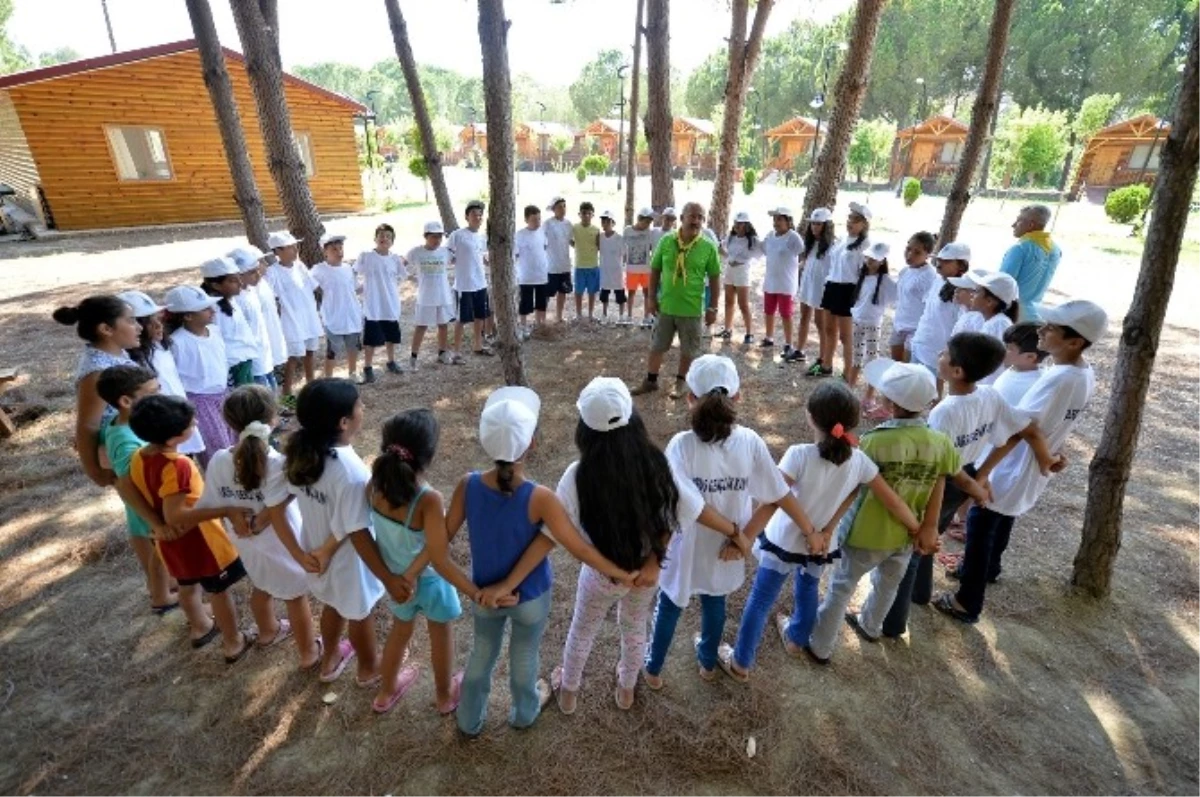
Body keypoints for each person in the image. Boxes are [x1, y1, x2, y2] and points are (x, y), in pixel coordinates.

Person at [432, 386, 638, 736]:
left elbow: (438, 553)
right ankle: (524, 713)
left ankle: (468, 720)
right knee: (524, 657)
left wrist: (478, 593)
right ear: (531, 445)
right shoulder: (541, 497)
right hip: (531, 598)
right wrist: (620, 573)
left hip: (483, 595)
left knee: (480, 655)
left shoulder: (466, 485)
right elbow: (580, 549)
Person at [551, 377, 735, 712]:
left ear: (584, 430)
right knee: (635, 628)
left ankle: (569, 692)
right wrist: (652, 564)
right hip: (646, 576)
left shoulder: (577, 475)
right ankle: (626, 689)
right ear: (634, 419)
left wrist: (612, 571)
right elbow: (676, 514)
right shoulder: (658, 465)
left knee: (582, 630)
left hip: (599, 577)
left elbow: (569, 540)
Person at [724, 382, 919, 679]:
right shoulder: (860, 460)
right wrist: (918, 529)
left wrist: (744, 537)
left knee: (762, 599)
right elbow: (891, 501)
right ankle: (797, 639)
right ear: (851, 423)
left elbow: (772, 501)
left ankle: (741, 662)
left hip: (784, 542)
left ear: (810, 417)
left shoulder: (798, 454)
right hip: (822, 546)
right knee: (808, 588)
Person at [646, 355, 817, 685]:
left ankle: (653, 670)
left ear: (690, 398)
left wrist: (743, 535)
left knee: (670, 604)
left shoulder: (680, 447)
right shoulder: (749, 441)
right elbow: (778, 493)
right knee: (715, 603)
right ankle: (708, 664)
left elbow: (689, 505)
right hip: (726, 550)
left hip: (686, 548)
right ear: (738, 397)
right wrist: (744, 536)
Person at [935, 300, 1106, 624]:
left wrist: (982, 476)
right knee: (1002, 519)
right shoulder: (1083, 374)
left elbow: (1020, 430)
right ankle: (989, 569)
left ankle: (966, 602)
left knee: (981, 524)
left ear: (1075, 341)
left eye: (1051, 328)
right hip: (1032, 465)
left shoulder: (1058, 378)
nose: (1041, 331)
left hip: (1012, 465)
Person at [882, 333, 1051, 638]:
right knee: (929, 540)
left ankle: (892, 621)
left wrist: (931, 520)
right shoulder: (990, 395)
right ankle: (921, 593)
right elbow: (1019, 430)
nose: (939, 356)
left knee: (915, 542)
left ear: (957, 371)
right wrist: (980, 476)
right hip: (964, 475)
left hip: (940, 484)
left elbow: (935, 470)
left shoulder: (944, 412)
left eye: (945, 354)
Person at [806, 360, 953, 664]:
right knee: (889, 584)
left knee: (842, 586)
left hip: (866, 533)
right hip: (906, 537)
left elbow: (853, 485)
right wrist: (929, 525)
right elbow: (941, 479)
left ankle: (820, 645)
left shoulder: (874, 442)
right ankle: (871, 626)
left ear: (888, 403)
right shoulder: (941, 442)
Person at [267, 378, 385, 685]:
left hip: (315, 553)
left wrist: (300, 552)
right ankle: (369, 668)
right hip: (347, 559)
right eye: (359, 404)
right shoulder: (351, 472)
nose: (364, 407)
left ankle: (330, 658)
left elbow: (276, 504)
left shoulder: (304, 453)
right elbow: (354, 524)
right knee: (360, 612)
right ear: (344, 422)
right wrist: (328, 551)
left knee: (333, 603)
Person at [197, 385, 320, 669]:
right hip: (282, 540)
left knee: (261, 584)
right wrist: (264, 516)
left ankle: (268, 631)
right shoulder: (279, 462)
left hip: (244, 541)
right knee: (294, 596)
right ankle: (309, 653)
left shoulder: (218, 460)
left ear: (229, 423)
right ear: (273, 419)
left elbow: (209, 505)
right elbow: (298, 489)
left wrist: (238, 514)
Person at [353, 409, 464, 715]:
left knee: (399, 632)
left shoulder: (372, 486)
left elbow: (368, 533)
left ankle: (385, 693)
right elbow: (436, 548)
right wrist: (413, 575)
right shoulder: (428, 499)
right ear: (428, 456)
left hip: (394, 579)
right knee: (440, 636)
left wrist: (398, 579)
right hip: (427, 580)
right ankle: (444, 697)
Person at [128, 393, 255, 662]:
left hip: (170, 541)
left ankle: (200, 626)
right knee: (218, 591)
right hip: (199, 541)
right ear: (174, 437)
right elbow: (176, 514)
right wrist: (226, 510)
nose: (196, 421)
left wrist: (160, 525)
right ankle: (233, 642)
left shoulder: (141, 455)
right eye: (190, 423)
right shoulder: (179, 465)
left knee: (187, 585)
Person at [96, 365, 175, 613]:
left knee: (161, 554)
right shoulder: (125, 438)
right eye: (152, 393)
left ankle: (165, 592)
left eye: (159, 389)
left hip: (155, 505)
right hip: (148, 509)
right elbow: (126, 484)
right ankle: (162, 597)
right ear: (126, 401)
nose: (159, 397)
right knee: (161, 552)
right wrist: (155, 520)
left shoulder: (126, 424)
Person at [629, 202, 722, 400]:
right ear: (682, 218)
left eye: (700, 217)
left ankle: (680, 383)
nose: (696, 221)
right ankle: (651, 381)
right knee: (657, 345)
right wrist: (651, 298)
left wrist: (713, 307)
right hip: (666, 306)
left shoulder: (708, 247)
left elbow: (715, 278)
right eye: (692, 216)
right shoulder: (666, 241)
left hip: (692, 308)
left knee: (688, 349)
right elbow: (655, 270)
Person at [53, 295, 139, 485]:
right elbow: (88, 425)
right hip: (127, 451)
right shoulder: (98, 371)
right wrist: (95, 472)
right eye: (131, 321)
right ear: (106, 329)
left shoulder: (116, 354)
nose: (139, 327)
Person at [120, 290, 207, 458]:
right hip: (161, 426)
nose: (158, 325)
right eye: (148, 322)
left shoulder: (162, 347)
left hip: (179, 416)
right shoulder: (133, 359)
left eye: (158, 318)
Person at [163, 285, 235, 466]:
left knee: (234, 446)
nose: (212, 311)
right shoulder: (177, 342)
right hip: (201, 404)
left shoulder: (215, 331)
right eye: (205, 308)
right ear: (187, 316)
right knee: (218, 453)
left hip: (223, 396)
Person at [813, 202, 871, 379]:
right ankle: (826, 365)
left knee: (846, 336)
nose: (850, 223)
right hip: (832, 286)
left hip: (848, 290)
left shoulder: (865, 245)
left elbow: (864, 273)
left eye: (855, 220)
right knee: (829, 329)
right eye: (849, 219)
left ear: (864, 225)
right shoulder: (842, 241)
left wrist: (859, 296)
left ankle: (847, 372)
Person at [264, 231, 323, 406]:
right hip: (291, 319)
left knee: (310, 352)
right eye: (289, 248)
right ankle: (287, 395)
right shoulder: (273, 272)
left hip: (309, 316)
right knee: (293, 357)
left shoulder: (300, 266)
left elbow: (313, 285)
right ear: (277, 252)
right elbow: (269, 295)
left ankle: (312, 388)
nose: (294, 250)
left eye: (294, 246)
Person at [908, 241, 971, 398]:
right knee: (911, 387)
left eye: (947, 261)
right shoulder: (937, 280)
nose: (939, 263)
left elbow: (961, 324)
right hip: (921, 342)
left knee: (932, 393)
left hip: (936, 351)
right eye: (939, 259)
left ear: (961, 266)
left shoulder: (961, 291)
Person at [355, 223, 407, 383]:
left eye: (388, 236)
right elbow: (354, 272)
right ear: (375, 238)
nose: (384, 238)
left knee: (391, 337)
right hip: (373, 305)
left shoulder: (395, 259)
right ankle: (368, 367)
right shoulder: (366, 256)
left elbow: (403, 276)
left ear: (392, 241)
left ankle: (391, 362)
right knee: (371, 339)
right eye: (381, 235)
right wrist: (358, 288)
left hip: (390, 304)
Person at [948, 272, 1021, 384]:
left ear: (989, 302)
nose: (972, 295)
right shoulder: (991, 322)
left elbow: (991, 365)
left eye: (977, 292)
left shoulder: (998, 324)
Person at [310, 233, 364, 381]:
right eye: (334, 249)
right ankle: (328, 377)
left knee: (353, 345)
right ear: (325, 251)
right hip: (333, 314)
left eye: (340, 248)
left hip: (351, 312)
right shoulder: (319, 269)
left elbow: (356, 287)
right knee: (332, 348)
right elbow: (308, 285)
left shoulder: (347, 268)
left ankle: (353, 372)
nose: (339, 252)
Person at [848, 241, 898, 395]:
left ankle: (870, 395)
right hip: (858, 321)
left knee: (872, 358)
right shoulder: (861, 276)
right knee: (856, 355)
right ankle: (850, 388)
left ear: (882, 261)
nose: (869, 261)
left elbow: (897, 298)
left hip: (873, 323)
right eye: (868, 257)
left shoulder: (886, 281)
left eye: (874, 259)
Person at [200, 256, 258, 388]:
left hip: (243, 361)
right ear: (215, 285)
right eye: (232, 280)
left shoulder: (231, 300)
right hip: (232, 366)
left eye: (239, 277)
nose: (240, 282)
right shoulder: (213, 311)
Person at [407, 221, 459, 368]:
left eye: (439, 237)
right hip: (425, 295)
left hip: (442, 294)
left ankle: (442, 352)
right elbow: (403, 263)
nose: (437, 240)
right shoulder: (416, 252)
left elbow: (458, 260)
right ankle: (413, 356)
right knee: (421, 326)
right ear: (426, 236)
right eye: (433, 237)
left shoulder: (445, 252)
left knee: (443, 324)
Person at [447, 202, 495, 358]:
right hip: (463, 284)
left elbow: (483, 257)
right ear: (467, 217)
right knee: (461, 319)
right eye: (474, 214)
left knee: (480, 315)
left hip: (480, 283)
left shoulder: (482, 238)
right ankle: (456, 351)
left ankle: (478, 345)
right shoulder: (457, 235)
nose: (478, 217)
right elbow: (448, 255)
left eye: (480, 214)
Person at [999, 205, 1061, 320]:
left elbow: (1002, 285)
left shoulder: (1020, 248)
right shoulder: (1056, 250)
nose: (1013, 225)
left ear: (1031, 225)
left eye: (1018, 221)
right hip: (1036, 313)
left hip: (1013, 314)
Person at [228, 248, 277, 389]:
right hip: (253, 360)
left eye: (257, 270)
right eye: (252, 272)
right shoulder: (236, 300)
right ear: (238, 276)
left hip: (264, 353)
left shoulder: (251, 291)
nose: (258, 274)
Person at [889, 231, 939, 365]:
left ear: (927, 255)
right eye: (908, 249)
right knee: (895, 366)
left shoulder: (929, 276)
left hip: (915, 329)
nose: (910, 255)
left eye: (917, 252)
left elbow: (931, 306)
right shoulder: (905, 271)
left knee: (907, 370)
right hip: (899, 324)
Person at [793, 207, 835, 363]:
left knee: (820, 323)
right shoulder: (811, 243)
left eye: (818, 224)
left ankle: (823, 356)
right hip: (808, 285)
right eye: (813, 224)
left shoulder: (832, 247)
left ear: (826, 226)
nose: (814, 227)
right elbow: (808, 261)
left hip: (821, 289)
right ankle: (799, 350)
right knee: (804, 316)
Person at [759, 207, 803, 357]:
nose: (776, 222)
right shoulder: (770, 236)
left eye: (779, 219)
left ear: (788, 221)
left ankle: (788, 343)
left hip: (786, 283)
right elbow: (763, 249)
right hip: (770, 280)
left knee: (786, 314)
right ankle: (769, 337)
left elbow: (801, 252)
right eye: (775, 219)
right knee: (769, 311)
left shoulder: (793, 237)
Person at [717, 211, 760, 344]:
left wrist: (742, 260)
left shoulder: (752, 240)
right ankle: (728, 329)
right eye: (736, 223)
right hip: (730, 270)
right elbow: (721, 248)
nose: (737, 226)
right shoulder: (731, 238)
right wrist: (727, 256)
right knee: (729, 301)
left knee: (743, 304)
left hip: (742, 272)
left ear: (746, 225)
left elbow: (758, 254)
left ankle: (749, 333)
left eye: (741, 223)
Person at [515, 204, 551, 338]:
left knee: (542, 302)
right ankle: (523, 326)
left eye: (539, 219)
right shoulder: (519, 235)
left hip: (541, 274)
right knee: (525, 302)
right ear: (526, 220)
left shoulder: (542, 232)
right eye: (534, 219)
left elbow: (544, 248)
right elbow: (516, 254)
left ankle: (540, 324)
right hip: (526, 276)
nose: (537, 222)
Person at [992, 322, 1047, 407]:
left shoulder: (1036, 385)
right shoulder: (1013, 369)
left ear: (1030, 357)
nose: (1001, 350)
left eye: (1009, 348)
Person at [624, 207, 658, 328]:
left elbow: (651, 248)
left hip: (646, 269)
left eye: (650, 222)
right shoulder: (628, 230)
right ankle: (629, 316)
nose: (648, 224)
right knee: (631, 293)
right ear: (639, 219)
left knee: (647, 293)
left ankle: (647, 316)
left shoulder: (650, 232)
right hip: (631, 269)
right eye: (646, 221)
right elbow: (623, 248)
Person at [543, 196, 575, 323]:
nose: (562, 209)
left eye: (564, 206)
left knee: (563, 292)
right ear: (553, 209)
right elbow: (542, 243)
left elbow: (572, 242)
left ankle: (559, 316)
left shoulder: (569, 224)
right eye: (559, 206)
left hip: (565, 265)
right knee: (546, 294)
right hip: (551, 266)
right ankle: (542, 318)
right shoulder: (547, 224)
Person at [571, 202, 602, 321]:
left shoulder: (596, 229)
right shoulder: (575, 228)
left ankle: (590, 314)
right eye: (584, 213)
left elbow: (599, 245)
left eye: (589, 213)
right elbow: (570, 240)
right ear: (580, 214)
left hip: (593, 265)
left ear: (592, 215)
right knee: (578, 292)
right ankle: (578, 314)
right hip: (579, 266)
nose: (586, 216)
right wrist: (577, 247)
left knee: (592, 292)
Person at [598, 210, 628, 325]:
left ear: (613, 223)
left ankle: (621, 316)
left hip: (616, 271)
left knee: (620, 295)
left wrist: (621, 266)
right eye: (603, 222)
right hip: (605, 271)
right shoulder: (600, 237)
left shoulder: (619, 238)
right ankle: (604, 314)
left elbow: (625, 253)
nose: (604, 224)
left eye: (607, 222)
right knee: (604, 294)